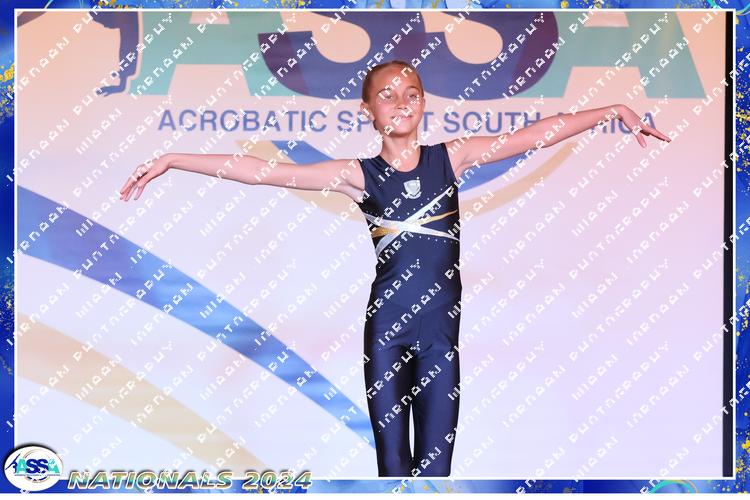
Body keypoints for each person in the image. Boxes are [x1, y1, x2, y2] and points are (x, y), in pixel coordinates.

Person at [119, 59, 671, 478]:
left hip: (440, 341)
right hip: (386, 335)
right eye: (386, 95)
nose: (400, 102)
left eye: (411, 94)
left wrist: (611, 111)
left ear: (424, 104)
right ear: (368, 110)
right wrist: (174, 159)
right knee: (392, 469)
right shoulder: (358, 175)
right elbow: (264, 171)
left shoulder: (451, 158)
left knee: (436, 473)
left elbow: (537, 133)